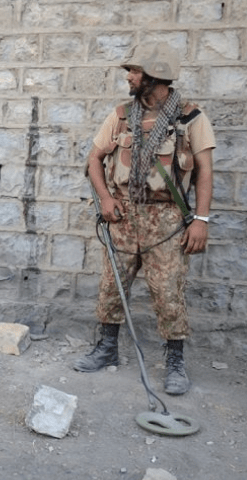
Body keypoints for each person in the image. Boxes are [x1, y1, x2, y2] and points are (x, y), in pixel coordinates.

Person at [74, 42, 215, 395]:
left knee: (168, 292)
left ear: (156, 76)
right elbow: (93, 159)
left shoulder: (190, 118)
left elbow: (205, 172)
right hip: (122, 214)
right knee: (112, 286)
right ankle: (107, 348)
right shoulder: (121, 115)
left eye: (135, 71)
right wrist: (105, 199)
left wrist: (201, 220)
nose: (130, 77)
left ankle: (175, 362)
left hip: (167, 219)